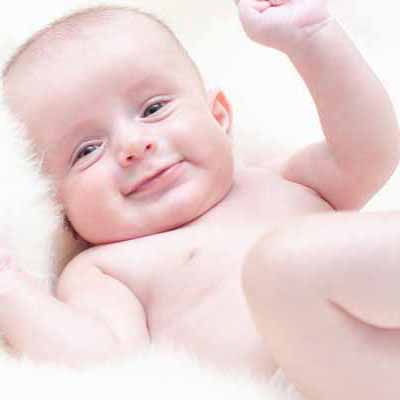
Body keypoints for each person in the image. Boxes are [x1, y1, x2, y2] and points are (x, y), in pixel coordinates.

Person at [1, 1, 399, 398]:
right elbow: (103, 363)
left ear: (218, 115)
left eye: (153, 108)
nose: (133, 145)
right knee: (282, 266)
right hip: (332, 378)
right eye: (87, 150)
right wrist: (8, 285)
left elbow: (369, 154)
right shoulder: (107, 269)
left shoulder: (279, 179)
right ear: (60, 210)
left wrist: (312, 39)